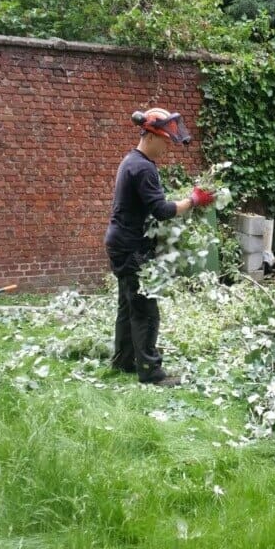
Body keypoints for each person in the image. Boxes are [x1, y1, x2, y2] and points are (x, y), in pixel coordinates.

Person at [104, 107, 215, 385]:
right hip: (130, 247)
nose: (167, 147)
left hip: (120, 242)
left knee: (128, 306)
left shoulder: (131, 160)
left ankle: (124, 360)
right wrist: (193, 201)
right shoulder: (142, 167)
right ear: (151, 137)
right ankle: (151, 373)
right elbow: (162, 210)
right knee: (145, 310)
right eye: (165, 141)